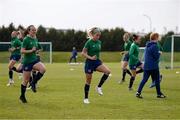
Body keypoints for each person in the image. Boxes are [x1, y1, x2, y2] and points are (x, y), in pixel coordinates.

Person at [81, 27, 111, 104]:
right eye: (97, 35)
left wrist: (100, 61)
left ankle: (99, 87)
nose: (98, 37)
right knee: (88, 81)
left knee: (107, 71)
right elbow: (83, 53)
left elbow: (97, 52)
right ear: (93, 35)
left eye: (99, 35)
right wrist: (90, 57)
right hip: (89, 63)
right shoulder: (89, 42)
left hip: (97, 62)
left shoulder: (99, 42)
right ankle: (86, 98)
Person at [19, 25, 46, 103]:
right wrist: (31, 50)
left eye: (35, 30)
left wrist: (37, 50)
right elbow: (22, 51)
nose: (34, 31)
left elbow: (38, 48)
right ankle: (22, 96)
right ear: (29, 31)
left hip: (34, 60)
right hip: (27, 62)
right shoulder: (26, 40)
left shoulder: (35, 39)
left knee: (43, 69)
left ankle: (33, 83)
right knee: (25, 81)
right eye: (33, 30)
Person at [136, 33, 166, 98]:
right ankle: (159, 94)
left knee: (144, 80)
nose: (159, 38)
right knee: (157, 80)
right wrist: (159, 53)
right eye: (158, 37)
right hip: (153, 66)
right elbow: (156, 57)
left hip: (146, 66)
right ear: (156, 38)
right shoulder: (155, 46)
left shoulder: (147, 45)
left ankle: (138, 92)